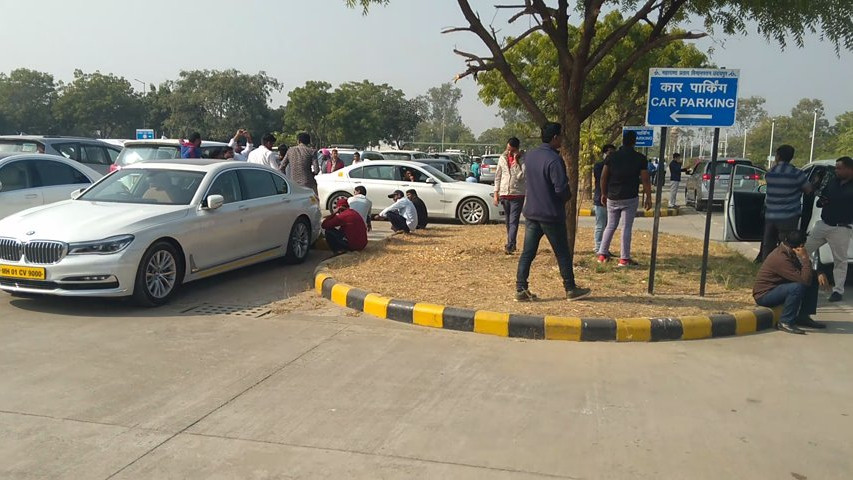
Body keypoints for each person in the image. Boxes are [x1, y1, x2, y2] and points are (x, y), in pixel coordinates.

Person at [515, 122, 590, 302]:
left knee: (528, 252)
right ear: (555, 138)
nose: (562, 140)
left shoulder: (531, 156)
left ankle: (520, 288)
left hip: (532, 212)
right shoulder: (555, 160)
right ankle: (570, 288)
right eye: (560, 137)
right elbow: (561, 189)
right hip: (551, 214)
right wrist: (567, 197)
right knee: (562, 252)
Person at [754, 230, 828, 334]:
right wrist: (805, 258)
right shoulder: (781, 258)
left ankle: (803, 316)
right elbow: (804, 280)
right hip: (764, 295)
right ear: (801, 245)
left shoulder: (787, 251)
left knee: (813, 278)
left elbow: (804, 273)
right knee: (797, 287)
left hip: (777, 289)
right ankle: (785, 322)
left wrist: (819, 273)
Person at [597, 130, 652, 266]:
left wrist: (603, 194)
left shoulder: (612, 157)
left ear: (622, 141)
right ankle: (624, 259)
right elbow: (645, 179)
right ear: (634, 142)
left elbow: (604, 177)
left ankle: (602, 254)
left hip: (612, 196)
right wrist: (648, 197)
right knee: (626, 227)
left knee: (610, 225)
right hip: (630, 197)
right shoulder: (640, 158)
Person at [805, 156, 853, 302]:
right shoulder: (833, 182)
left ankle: (838, 291)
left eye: (839, 168)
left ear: (849, 169)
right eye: (836, 168)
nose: (836, 171)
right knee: (803, 251)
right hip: (823, 224)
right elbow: (822, 199)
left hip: (841, 228)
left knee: (840, 261)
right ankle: (799, 278)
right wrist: (822, 200)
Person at [760, 144, 813, 261]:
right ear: (791, 157)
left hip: (771, 216)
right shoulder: (797, 174)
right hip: (788, 217)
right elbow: (809, 190)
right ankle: (786, 268)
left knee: (768, 245)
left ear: (778, 156)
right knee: (788, 245)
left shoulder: (770, 173)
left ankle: (767, 268)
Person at [493, 137, 526, 254]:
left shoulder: (523, 159)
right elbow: (498, 176)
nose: (509, 152)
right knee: (508, 221)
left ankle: (510, 245)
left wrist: (516, 162)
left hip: (517, 194)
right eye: (508, 149)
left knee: (513, 221)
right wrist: (496, 193)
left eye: (512, 150)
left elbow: (521, 176)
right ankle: (512, 242)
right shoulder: (502, 158)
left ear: (517, 149)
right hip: (504, 194)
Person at [593, 144, 616, 254]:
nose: (611, 156)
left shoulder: (615, 166)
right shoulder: (598, 166)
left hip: (611, 198)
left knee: (608, 226)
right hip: (600, 198)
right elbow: (601, 177)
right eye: (610, 153)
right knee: (600, 225)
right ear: (604, 153)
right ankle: (598, 248)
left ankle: (604, 248)